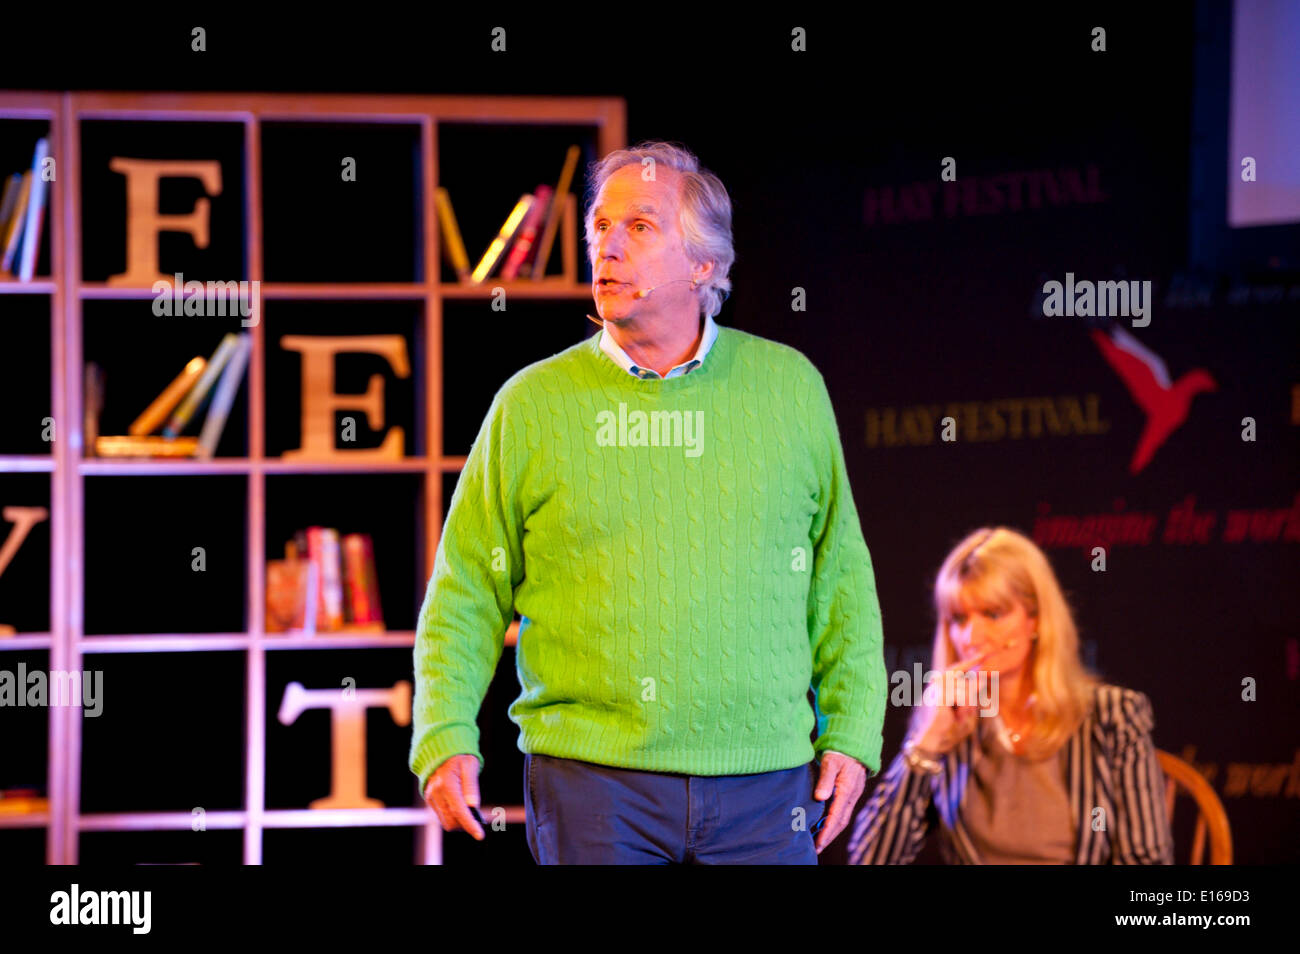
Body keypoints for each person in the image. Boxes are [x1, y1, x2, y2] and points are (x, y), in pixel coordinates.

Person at [410, 140, 888, 864]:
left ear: (704, 264)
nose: (609, 246)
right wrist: (444, 734)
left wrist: (852, 733)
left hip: (767, 787)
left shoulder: (790, 389)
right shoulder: (532, 405)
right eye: (600, 227)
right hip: (594, 787)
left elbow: (840, 578)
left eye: (638, 227)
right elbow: (466, 588)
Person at [847, 526, 1174, 864]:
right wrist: (926, 742)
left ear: (1035, 618)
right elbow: (871, 859)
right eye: (959, 618)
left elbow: (1145, 860)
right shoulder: (951, 722)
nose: (972, 636)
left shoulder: (1113, 714)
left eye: (993, 613)